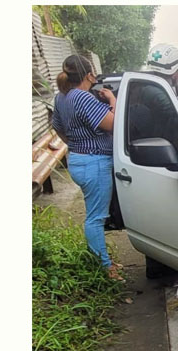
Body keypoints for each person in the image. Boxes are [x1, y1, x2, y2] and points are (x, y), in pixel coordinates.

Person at [51, 55, 124, 281]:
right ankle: (103, 268)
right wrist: (112, 99)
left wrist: (76, 145)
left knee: (94, 213)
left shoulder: (61, 97)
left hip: (79, 160)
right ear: (89, 75)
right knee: (96, 217)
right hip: (95, 162)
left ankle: (104, 261)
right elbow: (114, 125)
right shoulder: (83, 98)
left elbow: (58, 128)